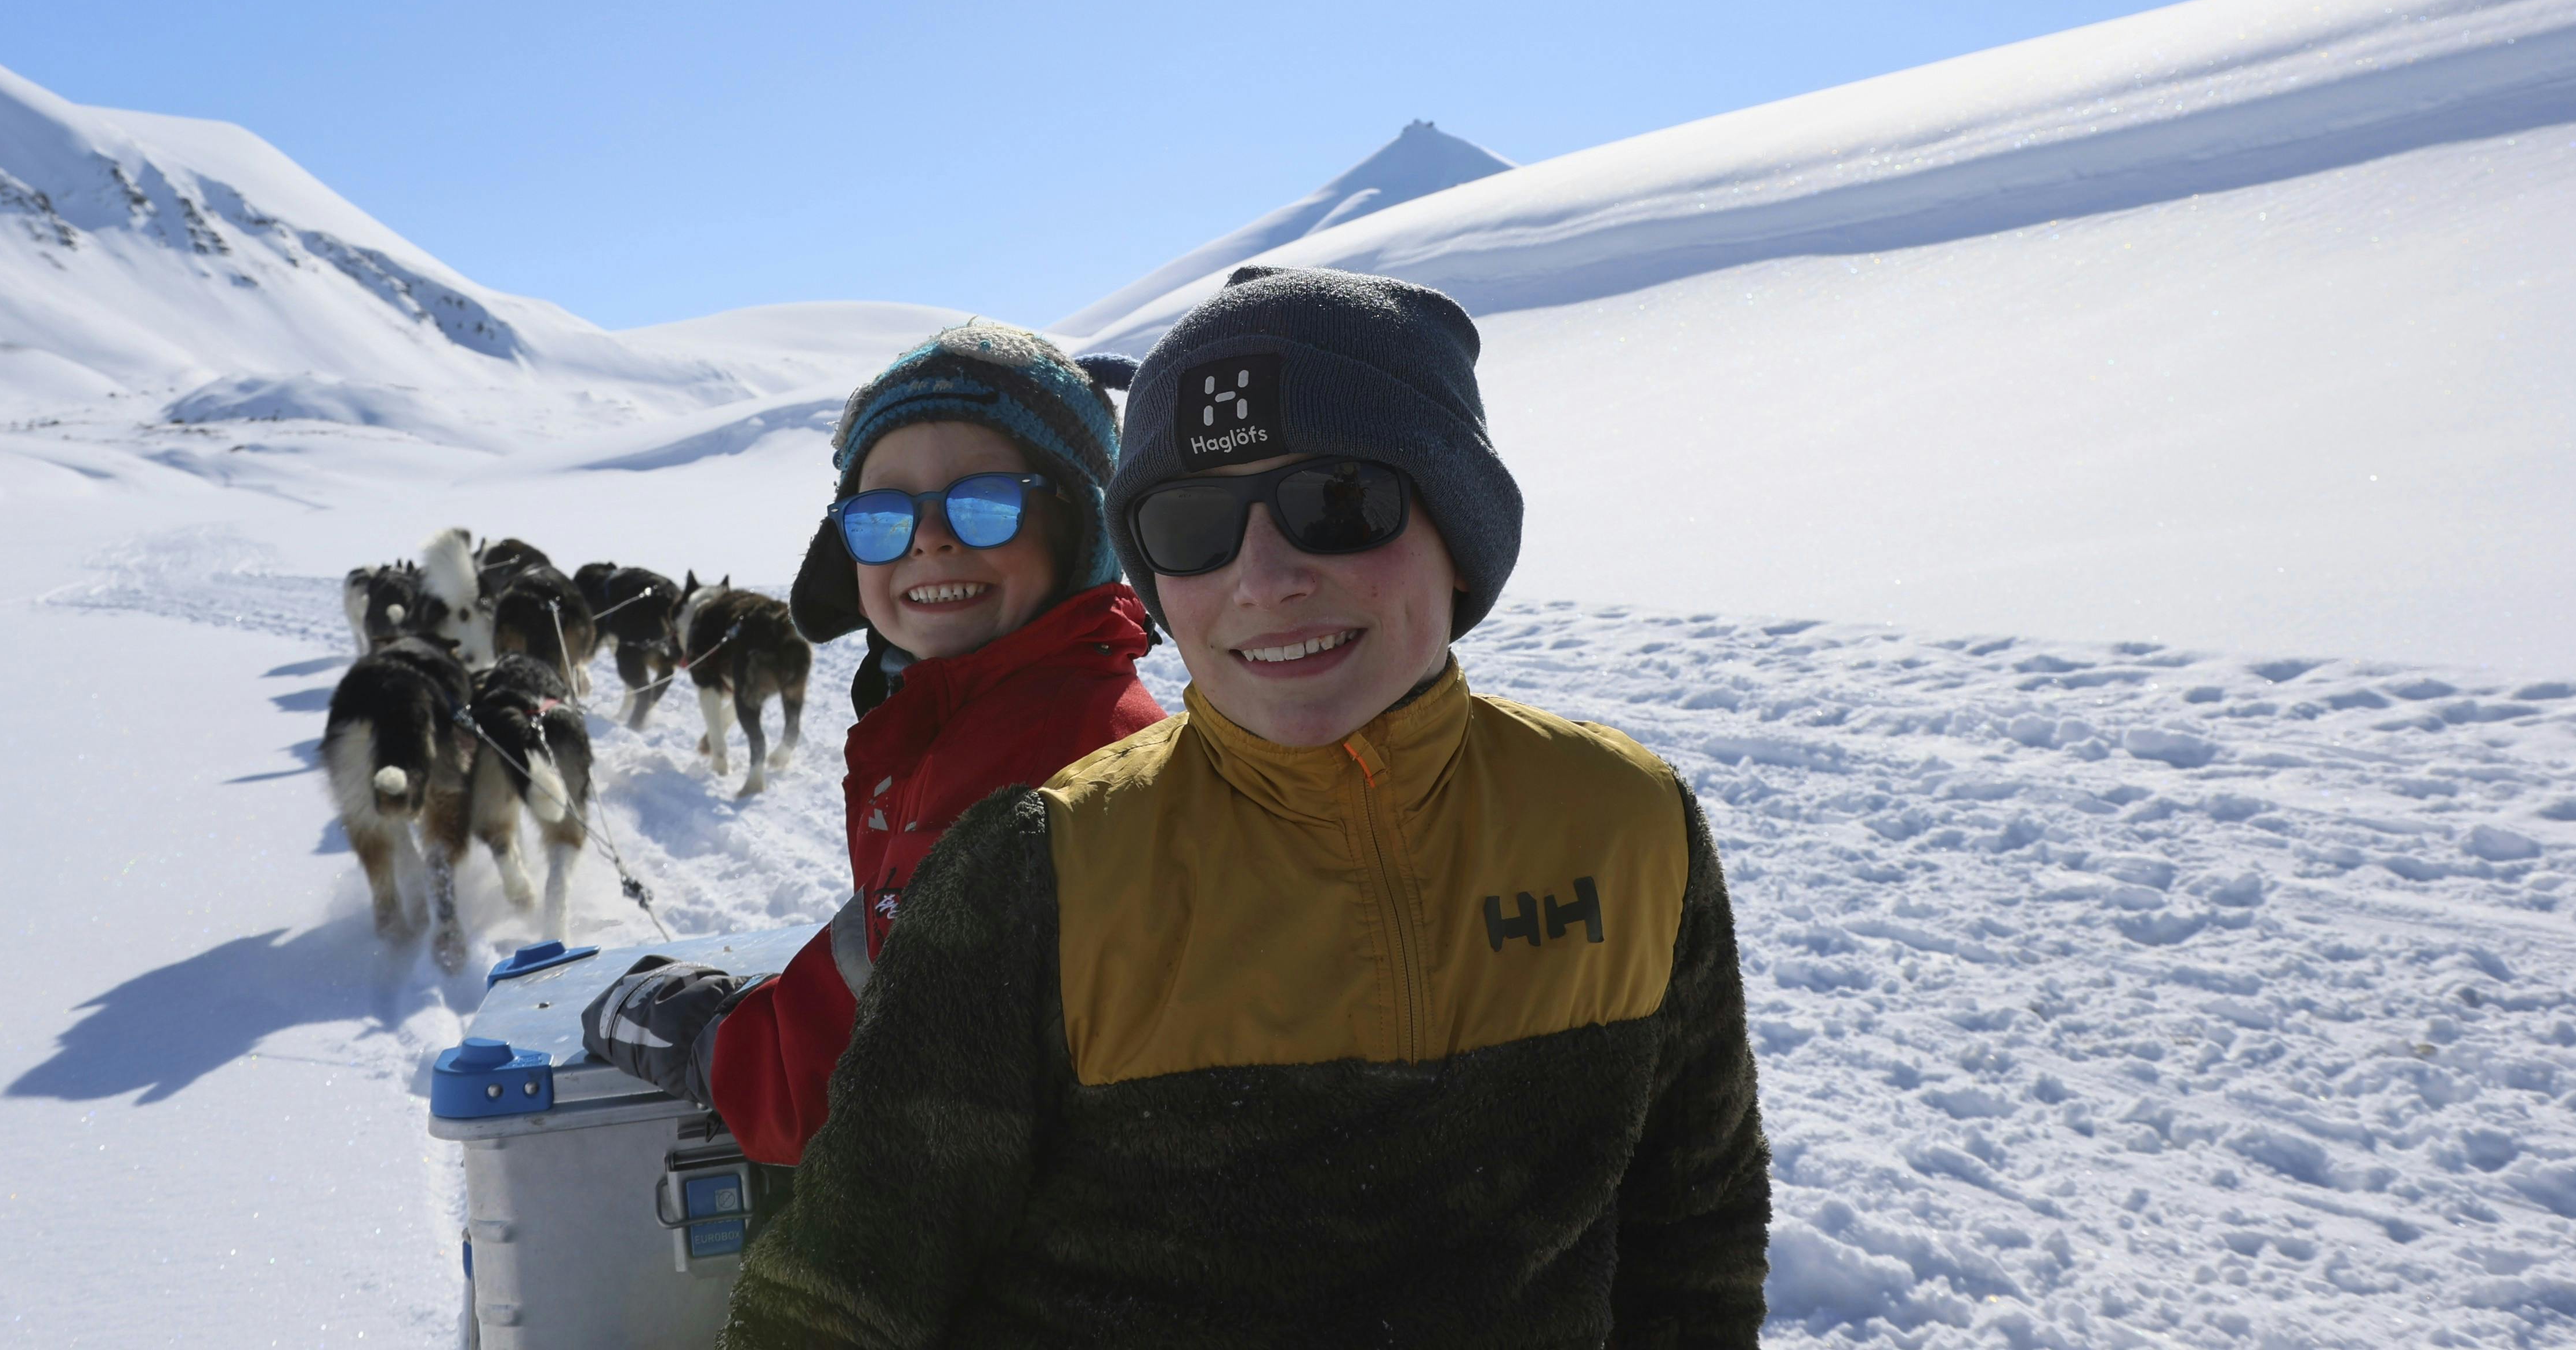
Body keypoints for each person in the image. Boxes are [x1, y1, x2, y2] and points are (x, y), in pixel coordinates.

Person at [723, 265, 1770, 1348]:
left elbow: (1694, 1236)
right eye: (1192, 525)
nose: (1264, 580)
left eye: (1337, 503)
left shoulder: (1626, 823)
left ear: (1460, 529)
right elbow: (839, 1293)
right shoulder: (1039, 866)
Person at [582, 321, 1165, 1166]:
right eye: (883, 515)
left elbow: (867, 1076)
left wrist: (714, 1043)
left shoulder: (1043, 764)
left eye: (985, 502)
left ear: (1080, 527)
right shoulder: (973, 716)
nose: (928, 538)